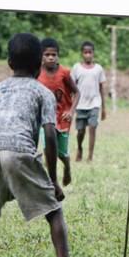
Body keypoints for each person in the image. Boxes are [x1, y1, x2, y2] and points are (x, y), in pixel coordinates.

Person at [0, 33, 75, 257]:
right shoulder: (43, 92)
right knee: (54, 211)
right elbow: (49, 134)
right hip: (19, 151)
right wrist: (53, 181)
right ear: (40, 64)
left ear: (8, 62)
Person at [37, 38, 80, 186]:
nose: (50, 57)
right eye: (47, 54)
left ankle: (67, 167)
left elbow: (77, 93)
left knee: (61, 153)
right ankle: (52, 182)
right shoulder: (37, 73)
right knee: (48, 149)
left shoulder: (64, 73)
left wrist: (71, 111)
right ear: (41, 56)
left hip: (62, 117)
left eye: (53, 55)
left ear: (58, 56)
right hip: (45, 118)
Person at [71, 41, 106, 162]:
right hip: (80, 104)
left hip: (94, 103)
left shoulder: (98, 69)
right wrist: (71, 105)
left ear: (93, 53)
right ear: (82, 54)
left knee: (92, 128)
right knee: (80, 131)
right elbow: (72, 87)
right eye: (85, 52)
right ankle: (80, 148)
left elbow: (101, 88)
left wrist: (104, 108)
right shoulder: (76, 68)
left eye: (90, 52)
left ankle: (90, 156)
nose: (88, 55)